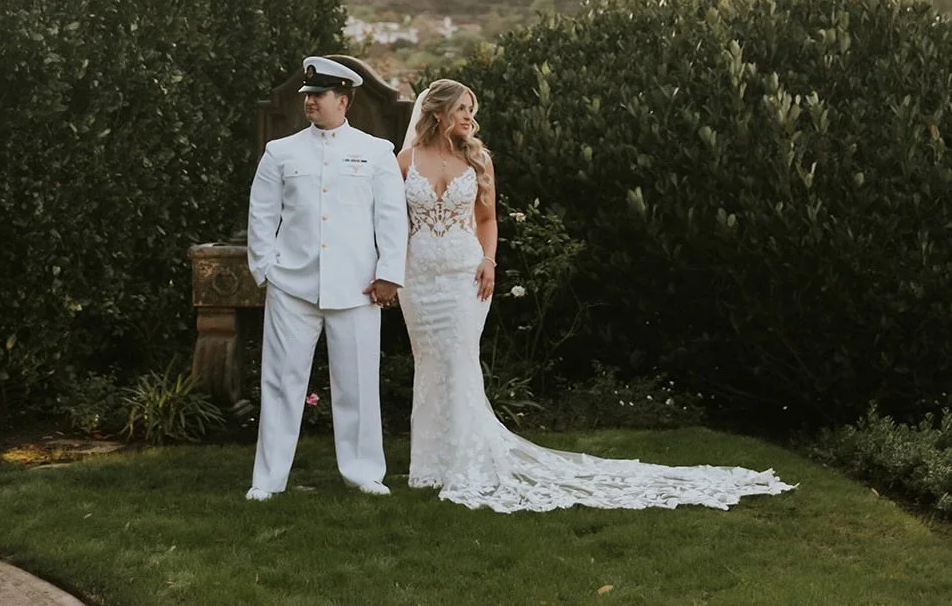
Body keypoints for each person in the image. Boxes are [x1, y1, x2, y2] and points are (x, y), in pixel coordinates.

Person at [396, 79, 795, 513]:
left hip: (465, 278)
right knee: (431, 364)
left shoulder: (478, 161)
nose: (470, 117)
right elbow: (390, 221)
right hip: (417, 280)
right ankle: (430, 465)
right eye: (462, 109)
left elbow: (487, 220)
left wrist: (489, 261)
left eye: (472, 109)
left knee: (458, 361)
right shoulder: (404, 161)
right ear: (437, 112)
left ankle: (466, 462)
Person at [245, 56, 408, 500]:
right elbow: (262, 215)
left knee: (357, 383)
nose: (310, 102)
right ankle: (269, 479)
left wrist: (389, 274)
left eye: (319, 95)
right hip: (292, 286)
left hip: (356, 287)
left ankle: (364, 472)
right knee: (280, 384)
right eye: (308, 95)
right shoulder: (281, 152)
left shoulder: (376, 152)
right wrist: (266, 272)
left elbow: (391, 218)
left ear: (344, 100)